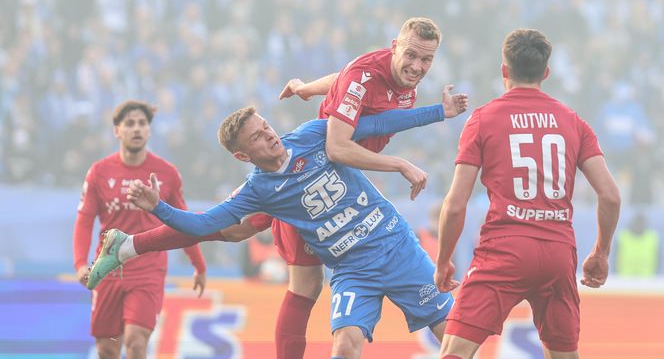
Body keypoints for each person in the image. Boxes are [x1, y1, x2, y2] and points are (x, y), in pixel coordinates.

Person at [90, 98, 463, 359]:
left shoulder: (314, 134)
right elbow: (204, 224)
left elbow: (377, 123)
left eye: (266, 127)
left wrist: (439, 112)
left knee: (452, 335)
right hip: (352, 269)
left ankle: (130, 246)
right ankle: (129, 246)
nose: (269, 136)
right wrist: (158, 207)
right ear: (242, 156)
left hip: (397, 247)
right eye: (257, 137)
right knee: (344, 344)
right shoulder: (258, 190)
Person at [273, 17, 458, 358]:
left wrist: (306, 88)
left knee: (234, 230)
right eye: (411, 55)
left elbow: (342, 79)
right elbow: (337, 146)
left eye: (426, 60)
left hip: (340, 190)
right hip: (309, 187)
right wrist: (400, 163)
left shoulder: (403, 85)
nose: (417, 66)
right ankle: (142, 241)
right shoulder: (366, 74)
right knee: (302, 283)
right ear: (394, 46)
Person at [434, 29, 621, 359]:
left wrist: (444, 259)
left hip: (504, 250)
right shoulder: (573, 122)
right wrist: (601, 252)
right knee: (564, 354)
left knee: (454, 353)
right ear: (546, 73)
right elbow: (610, 196)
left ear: (504, 70)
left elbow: (455, 204)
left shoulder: (483, 119)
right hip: (557, 254)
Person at [73, 100, 207, 359]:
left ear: (149, 130)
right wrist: (80, 263)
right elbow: (84, 220)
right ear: (117, 131)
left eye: (142, 123)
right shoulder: (99, 172)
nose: (137, 129)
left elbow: (185, 223)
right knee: (107, 349)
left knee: (135, 342)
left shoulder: (167, 173)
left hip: (148, 269)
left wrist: (199, 265)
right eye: (130, 123)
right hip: (108, 268)